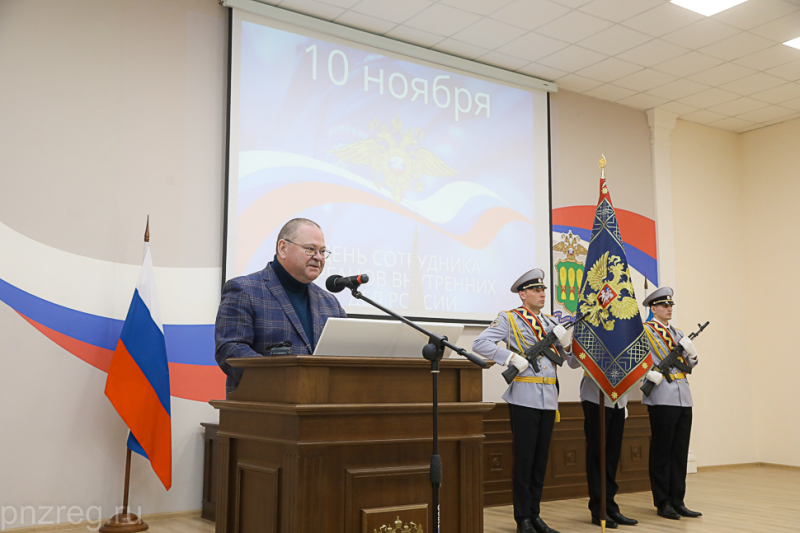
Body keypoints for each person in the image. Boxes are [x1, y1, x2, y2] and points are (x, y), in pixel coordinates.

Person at [472, 269, 572, 533]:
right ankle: (522, 519)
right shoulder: (509, 318)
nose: (542, 294)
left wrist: (568, 343)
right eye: (536, 290)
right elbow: (480, 344)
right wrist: (509, 358)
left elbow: (570, 362)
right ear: (523, 294)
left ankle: (535, 514)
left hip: (550, 399)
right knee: (524, 460)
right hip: (524, 398)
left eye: (543, 290)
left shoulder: (552, 324)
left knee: (540, 462)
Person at [215, 218, 346, 396]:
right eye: (310, 249)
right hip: (263, 410)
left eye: (322, 251)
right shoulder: (244, 290)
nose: (318, 257)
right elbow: (230, 349)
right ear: (283, 248)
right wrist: (280, 379)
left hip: (321, 409)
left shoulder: (330, 303)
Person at [641, 287, 701, 520]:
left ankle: (678, 499)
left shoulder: (678, 333)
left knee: (679, 451)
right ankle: (663, 501)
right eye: (664, 305)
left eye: (670, 305)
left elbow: (690, 364)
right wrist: (648, 374)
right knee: (662, 450)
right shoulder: (644, 332)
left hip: (683, 395)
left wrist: (693, 354)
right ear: (653, 308)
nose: (668, 309)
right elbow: (637, 360)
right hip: (661, 395)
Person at [565, 356, 638, 528]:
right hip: (595, 395)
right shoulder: (587, 329)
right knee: (598, 455)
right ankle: (598, 508)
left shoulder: (623, 330)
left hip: (618, 397)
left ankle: (611, 505)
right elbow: (573, 362)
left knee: (612, 457)